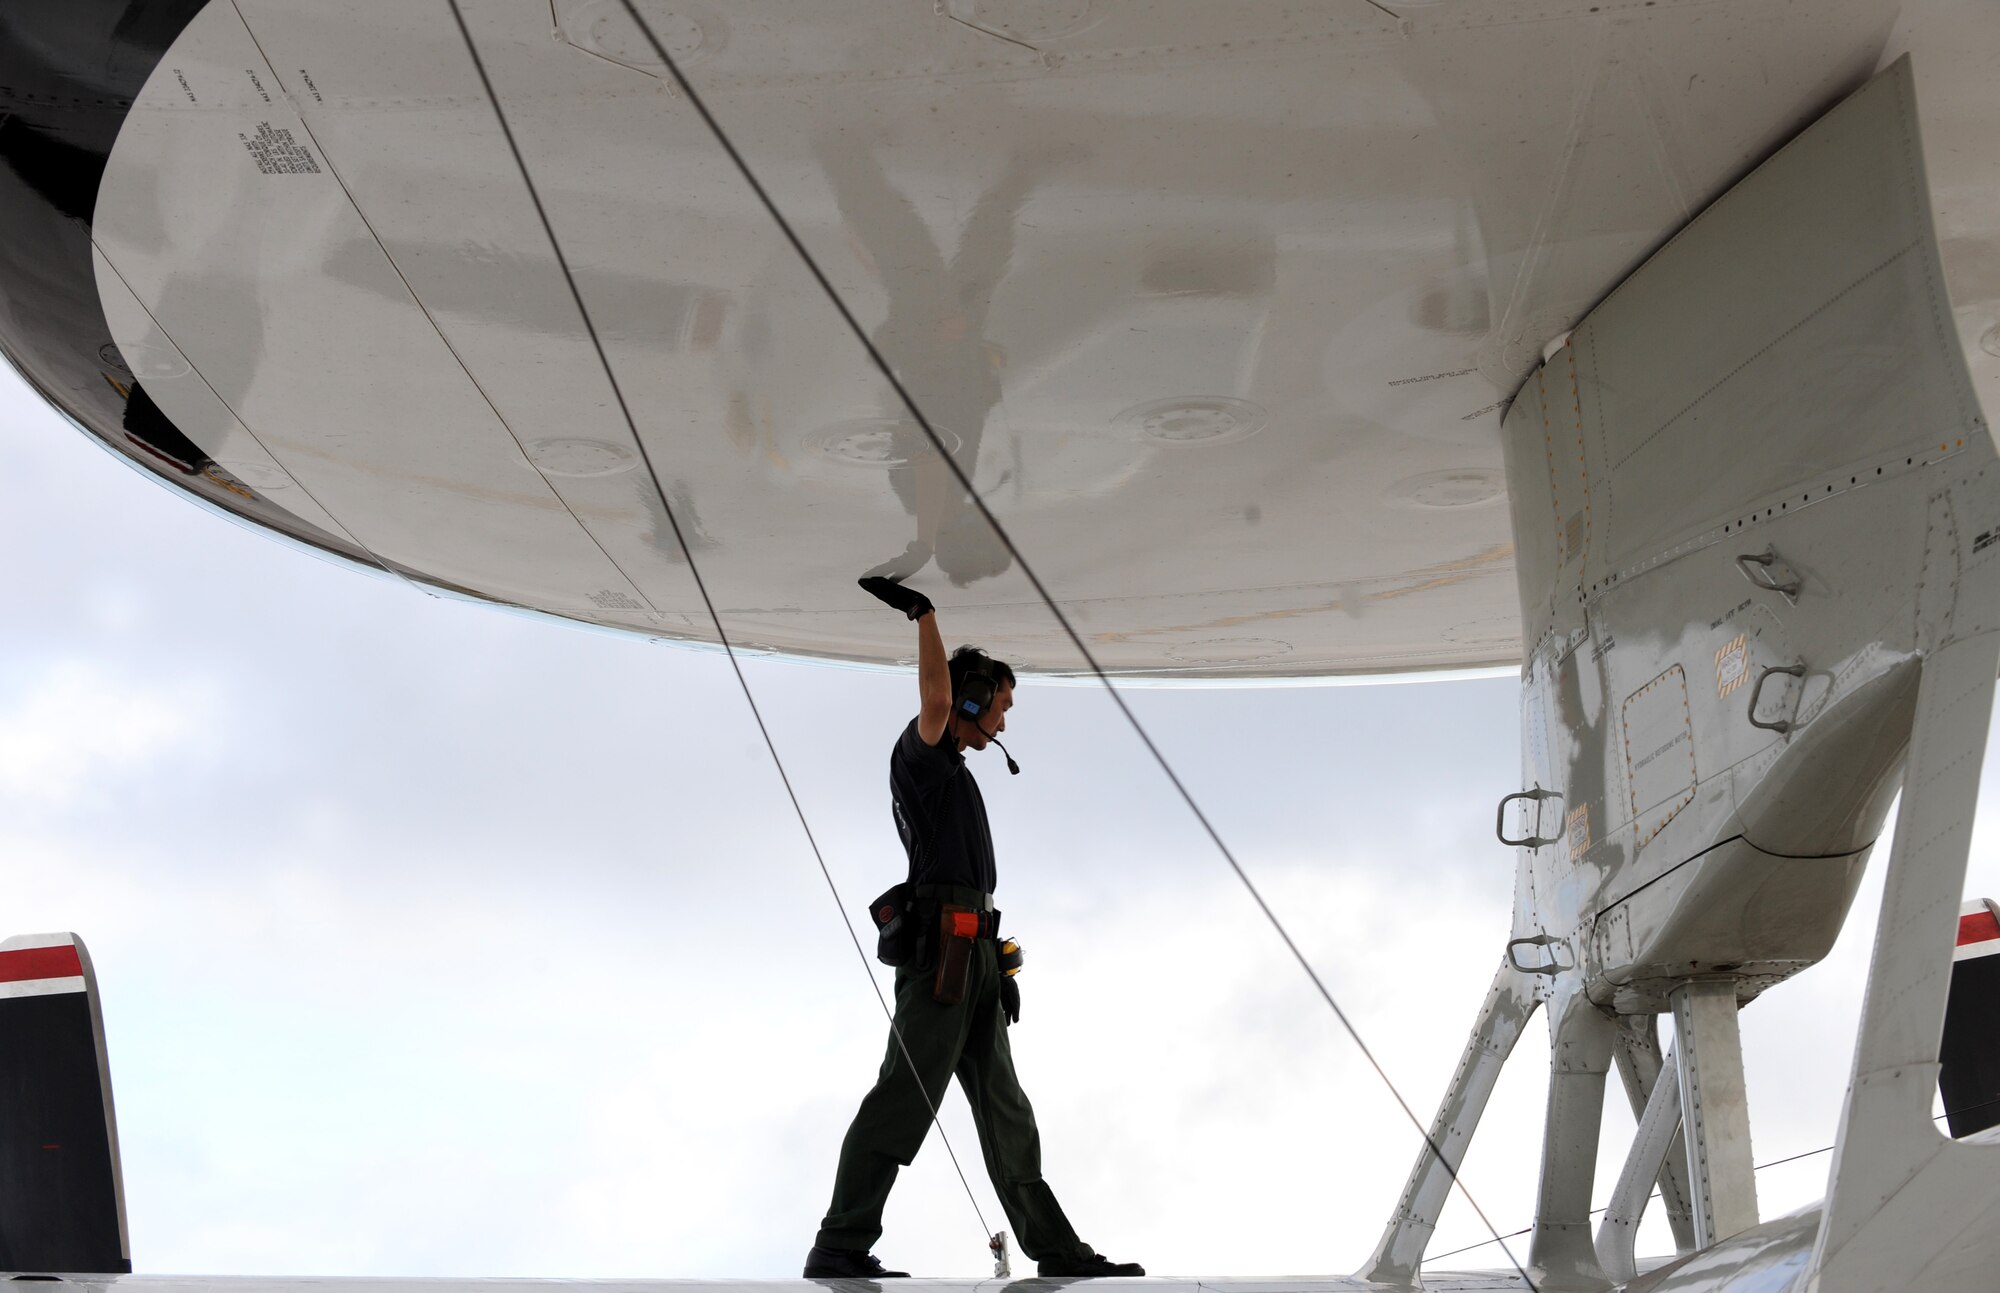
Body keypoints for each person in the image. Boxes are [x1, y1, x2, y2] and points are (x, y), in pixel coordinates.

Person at [803, 576, 1144, 1281]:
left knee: (1006, 1113)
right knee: (903, 1099)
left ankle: (1057, 1252)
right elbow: (932, 698)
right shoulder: (922, 761)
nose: (1005, 721)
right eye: (1001, 705)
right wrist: (924, 614)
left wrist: (997, 965)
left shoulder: (954, 771)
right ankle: (839, 1243)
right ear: (969, 701)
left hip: (975, 958)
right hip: (943, 963)